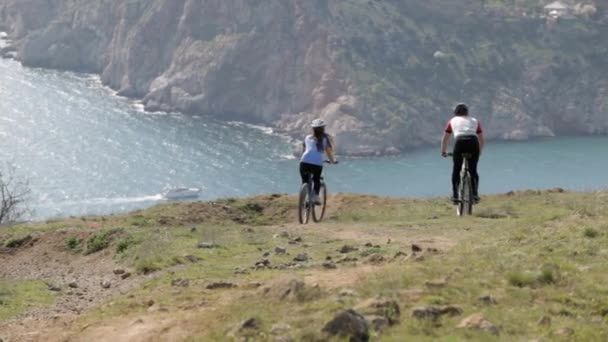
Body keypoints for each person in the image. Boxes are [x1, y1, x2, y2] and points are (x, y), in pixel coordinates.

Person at [440, 103, 484, 203]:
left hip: (459, 142)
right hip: (473, 142)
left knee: (456, 169)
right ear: (467, 112)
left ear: (455, 113)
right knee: (473, 170)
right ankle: (475, 195)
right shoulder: (475, 121)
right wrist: (479, 152)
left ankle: (455, 196)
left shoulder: (452, 121)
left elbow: (445, 139)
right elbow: (481, 139)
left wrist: (443, 151)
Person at [300, 119, 337, 204]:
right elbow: (328, 152)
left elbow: (304, 149)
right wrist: (332, 161)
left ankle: (304, 198)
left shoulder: (307, 137)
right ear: (323, 129)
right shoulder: (325, 139)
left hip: (304, 162)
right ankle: (315, 197)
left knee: (304, 181)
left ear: (313, 129)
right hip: (316, 164)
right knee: (316, 179)